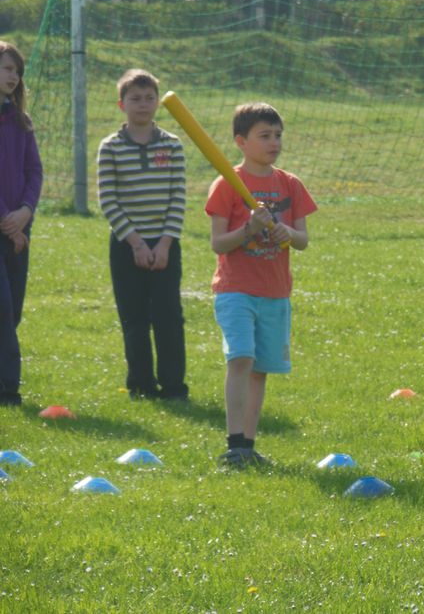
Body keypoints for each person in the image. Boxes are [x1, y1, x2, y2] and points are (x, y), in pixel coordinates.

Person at [205, 102, 317, 467]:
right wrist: (249, 229)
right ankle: (234, 443)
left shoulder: (290, 184)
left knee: (259, 370)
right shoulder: (226, 184)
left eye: (278, 135)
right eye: (264, 136)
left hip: (275, 292)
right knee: (241, 358)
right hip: (235, 289)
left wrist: (287, 232)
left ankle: (248, 447)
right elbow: (219, 243)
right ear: (241, 141)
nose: (274, 142)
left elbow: (303, 241)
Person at [97, 69, 188, 401]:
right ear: (122, 104)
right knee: (134, 317)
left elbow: (178, 197)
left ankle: (174, 387)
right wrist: (135, 242)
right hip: (126, 246)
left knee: (168, 317)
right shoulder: (110, 147)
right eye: (135, 99)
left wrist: (164, 243)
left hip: (165, 244)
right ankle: (141, 384)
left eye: (150, 98)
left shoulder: (172, 146)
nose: (143, 104)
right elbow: (108, 199)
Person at [0, 41, 43, 407]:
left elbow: (34, 171)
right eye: (6, 68)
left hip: (18, 226)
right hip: (5, 226)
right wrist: (7, 221)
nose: (13, 76)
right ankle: (8, 390)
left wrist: (26, 211)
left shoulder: (21, 122)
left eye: (16, 70)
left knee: (13, 307)